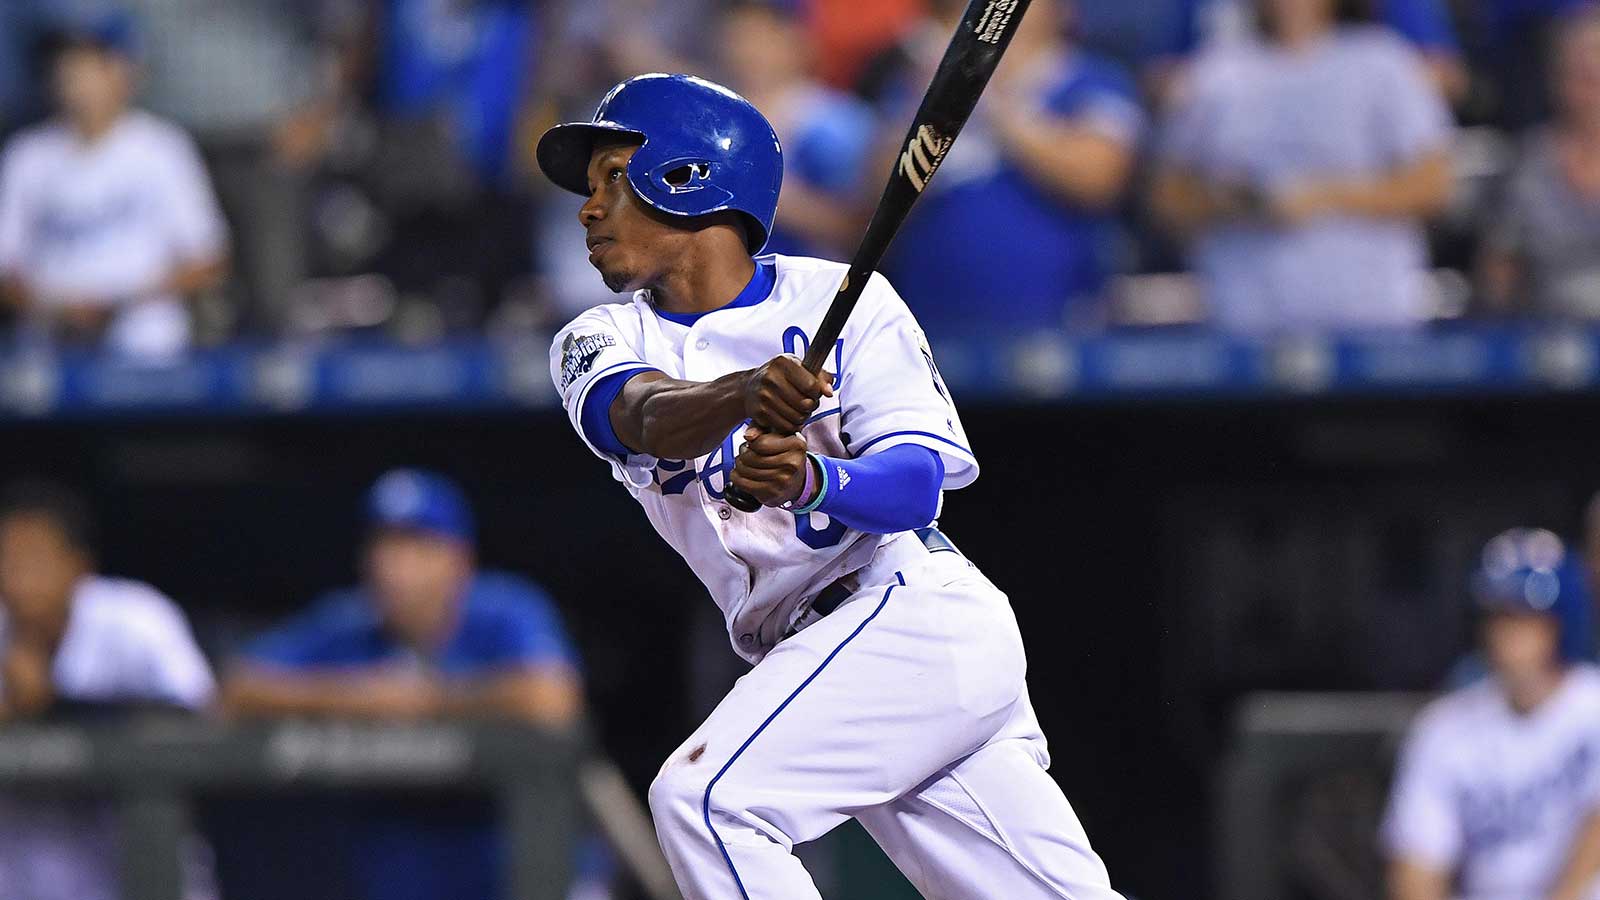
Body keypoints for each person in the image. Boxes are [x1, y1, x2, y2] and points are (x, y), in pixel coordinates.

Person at [537, 73, 1121, 899]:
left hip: (908, 611)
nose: (588, 210)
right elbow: (638, 415)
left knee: (706, 801)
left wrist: (815, 477)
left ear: (688, 175)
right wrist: (741, 395)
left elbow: (917, 486)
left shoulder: (843, 299)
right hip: (824, 656)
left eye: (611, 179)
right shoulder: (597, 336)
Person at [222, 468, 591, 900]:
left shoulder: (503, 610)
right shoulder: (348, 623)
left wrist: (429, 699)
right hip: (397, 876)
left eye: (417, 544)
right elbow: (237, 688)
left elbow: (552, 697)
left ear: (459, 557)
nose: (394, 564)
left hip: (518, 873)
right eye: (384, 544)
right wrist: (358, 698)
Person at [1151, 0, 1454, 334]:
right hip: (1247, 326)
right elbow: (1168, 195)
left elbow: (1434, 183)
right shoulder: (1217, 70)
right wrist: (1245, 202)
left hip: (1372, 324)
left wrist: (1324, 196)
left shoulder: (1381, 60)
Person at [0, 479, 217, 900]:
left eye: (32, 559)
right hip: (26, 871)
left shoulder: (134, 619)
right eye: (5, 559)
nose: (16, 576)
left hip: (138, 870)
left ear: (78, 566)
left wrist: (54, 708)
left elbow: (199, 720)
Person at [874, 0, 1142, 338]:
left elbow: (1097, 181)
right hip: (929, 315)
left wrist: (985, 97)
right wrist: (931, 99)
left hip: (1057, 316)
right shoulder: (920, 81)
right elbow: (876, 197)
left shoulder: (1092, 80)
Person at [1383, 528, 1600, 900]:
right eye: (1499, 615)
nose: (1506, 634)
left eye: (1524, 616)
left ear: (1563, 622)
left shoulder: (1593, 705)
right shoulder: (1444, 728)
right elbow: (1416, 869)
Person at [0, 11, 229, 360]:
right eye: (65, 63)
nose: (71, 76)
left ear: (123, 71)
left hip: (146, 347)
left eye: (88, 64)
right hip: (49, 352)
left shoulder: (162, 147)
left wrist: (121, 301)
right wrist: (57, 307)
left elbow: (208, 260)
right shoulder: (27, 155)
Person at [717, 0, 878, 261]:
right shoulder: (713, 116)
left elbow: (854, 229)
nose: (749, 47)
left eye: (766, 33)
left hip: (809, 283)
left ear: (798, 38)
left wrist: (756, 191)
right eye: (742, 32)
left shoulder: (834, 121)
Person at [1478, 6, 1600, 319]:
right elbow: (1500, 263)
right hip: (1546, 334)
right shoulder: (1528, 161)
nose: (1591, 92)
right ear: (1558, 80)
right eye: (1582, 76)